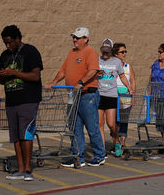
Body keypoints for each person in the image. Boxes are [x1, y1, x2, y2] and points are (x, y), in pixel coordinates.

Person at [45, 27, 106, 167]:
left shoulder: (90, 52)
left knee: (92, 127)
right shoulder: (71, 53)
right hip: (73, 96)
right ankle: (78, 156)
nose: (74, 40)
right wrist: (54, 82)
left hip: (87, 95)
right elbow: (63, 70)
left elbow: (93, 70)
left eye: (77, 37)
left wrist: (80, 83)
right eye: (74, 37)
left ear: (86, 39)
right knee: (74, 127)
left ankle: (99, 155)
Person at [0, 25, 43, 181]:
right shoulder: (5, 55)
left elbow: (35, 76)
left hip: (28, 99)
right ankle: (20, 168)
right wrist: (2, 75)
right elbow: (1, 80)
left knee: (26, 134)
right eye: (5, 43)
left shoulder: (31, 52)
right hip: (11, 100)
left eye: (9, 42)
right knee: (15, 136)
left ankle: (28, 169)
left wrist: (14, 72)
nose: (7, 46)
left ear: (17, 39)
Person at [96, 39, 130, 159]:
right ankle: (101, 150)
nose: (105, 54)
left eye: (107, 51)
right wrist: (96, 74)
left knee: (111, 124)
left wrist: (129, 87)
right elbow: (91, 73)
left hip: (111, 95)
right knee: (100, 124)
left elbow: (122, 76)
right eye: (103, 51)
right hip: (99, 94)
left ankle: (116, 141)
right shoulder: (97, 60)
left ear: (111, 50)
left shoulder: (116, 62)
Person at [112, 42, 135, 156]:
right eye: (122, 52)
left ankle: (123, 142)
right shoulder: (112, 66)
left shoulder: (128, 66)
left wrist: (133, 95)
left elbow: (133, 81)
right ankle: (116, 142)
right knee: (114, 123)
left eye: (125, 51)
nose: (124, 54)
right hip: (114, 98)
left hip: (126, 99)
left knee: (124, 121)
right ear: (116, 54)